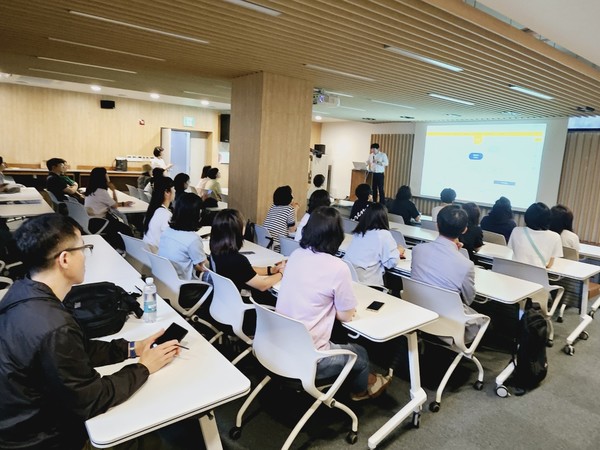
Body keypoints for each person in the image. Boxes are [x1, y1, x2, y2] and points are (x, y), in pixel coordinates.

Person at [0, 213, 179, 450]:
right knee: (149, 440)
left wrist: (132, 348)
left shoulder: (22, 291)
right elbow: (92, 399)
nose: (86, 257)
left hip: (18, 422)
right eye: (83, 248)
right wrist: (144, 367)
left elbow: (75, 352)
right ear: (64, 259)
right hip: (40, 438)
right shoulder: (54, 326)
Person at [276, 206, 391, 401]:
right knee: (361, 354)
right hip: (312, 358)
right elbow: (345, 315)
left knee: (339, 340)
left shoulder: (296, 256)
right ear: (337, 235)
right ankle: (361, 390)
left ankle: (365, 380)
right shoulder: (338, 268)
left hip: (279, 346)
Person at [411, 205, 480, 343]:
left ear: (437, 225)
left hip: (418, 313)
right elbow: (469, 299)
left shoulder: (418, 249)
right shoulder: (466, 264)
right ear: (464, 229)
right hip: (449, 323)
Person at [210, 208, 284, 305]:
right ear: (238, 230)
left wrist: (270, 270)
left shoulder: (216, 252)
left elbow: (246, 270)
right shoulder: (238, 260)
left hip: (223, 300)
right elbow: (263, 285)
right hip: (241, 303)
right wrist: (281, 274)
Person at [343, 203, 403, 286]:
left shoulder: (359, 233)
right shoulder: (384, 235)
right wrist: (398, 251)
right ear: (384, 218)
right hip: (368, 285)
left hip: (350, 282)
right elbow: (391, 263)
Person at [158, 192, 207, 279]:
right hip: (186, 285)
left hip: (165, 280)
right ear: (197, 213)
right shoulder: (193, 239)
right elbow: (204, 266)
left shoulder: (167, 231)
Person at [84, 167, 134, 250]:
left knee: (115, 223)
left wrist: (123, 204)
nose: (107, 175)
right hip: (98, 222)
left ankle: (118, 246)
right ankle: (130, 248)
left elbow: (110, 204)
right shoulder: (101, 191)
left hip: (90, 220)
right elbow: (114, 205)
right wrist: (113, 190)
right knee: (125, 228)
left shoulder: (91, 189)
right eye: (106, 173)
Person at [508, 202, 563, 268]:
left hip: (514, 272)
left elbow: (512, 252)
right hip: (537, 275)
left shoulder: (516, 231)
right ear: (548, 218)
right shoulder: (555, 237)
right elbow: (549, 265)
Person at [263, 185, 299, 251]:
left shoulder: (273, 206)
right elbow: (293, 230)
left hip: (266, 243)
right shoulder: (289, 209)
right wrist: (295, 211)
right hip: (277, 246)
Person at [143, 176, 174, 251]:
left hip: (151, 254)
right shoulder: (165, 214)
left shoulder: (153, 209)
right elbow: (172, 239)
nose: (175, 192)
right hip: (160, 254)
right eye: (174, 189)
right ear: (167, 192)